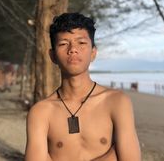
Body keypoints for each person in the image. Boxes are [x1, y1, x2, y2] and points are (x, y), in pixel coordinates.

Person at [25, 12, 141, 161]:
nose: (73, 49)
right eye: (63, 44)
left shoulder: (117, 102)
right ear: (52, 56)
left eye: (81, 43)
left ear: (93, 53)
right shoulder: (41, 112)